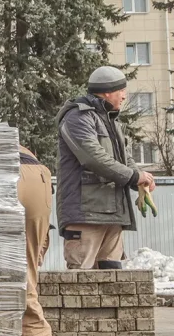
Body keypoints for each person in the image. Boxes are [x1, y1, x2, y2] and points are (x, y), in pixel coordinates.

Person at [56, 66, 155, 270]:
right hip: (85, 214)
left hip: (112, 213)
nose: (124, 97)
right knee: (81, 282)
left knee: (112, 280)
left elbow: (124, 157)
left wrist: (140, 178)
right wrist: (132, 177)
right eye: (122, 91)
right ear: (108, 92)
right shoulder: (77, 117)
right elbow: (94, 158)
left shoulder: (110, 120)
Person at [16, 147, 65, 336]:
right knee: (26, 289)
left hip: (3, 174)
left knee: (15, 293)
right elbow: (40, 247)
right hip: (39, 176)